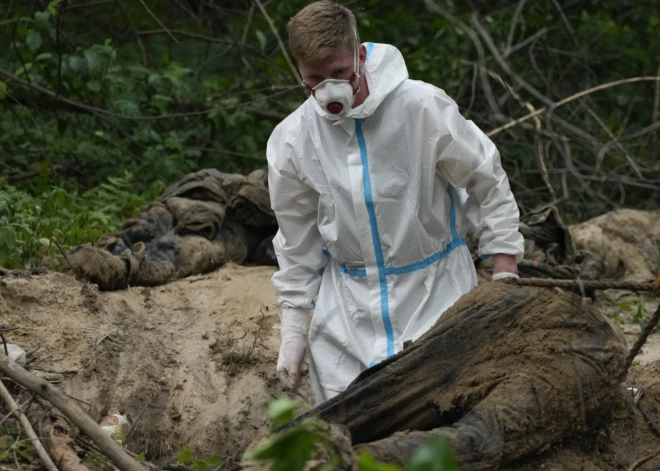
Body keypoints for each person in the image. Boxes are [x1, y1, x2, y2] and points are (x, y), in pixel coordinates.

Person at [266, 0, 524, 406]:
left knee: (443, 426)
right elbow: (297, 241)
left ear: (360, 55)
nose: (328, 88)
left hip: (437, 297)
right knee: (351, 440)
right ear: (299, 71)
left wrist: (504, 264)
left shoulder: (421, 107)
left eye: (338, 73)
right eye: (314, 78)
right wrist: (294, 331)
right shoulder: (293, 139)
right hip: (346, 318)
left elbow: (484, 178)